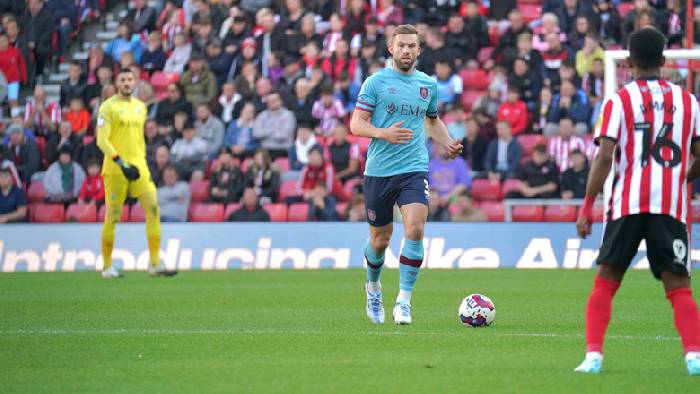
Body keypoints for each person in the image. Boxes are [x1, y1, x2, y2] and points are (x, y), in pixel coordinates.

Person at [575, 27, 700, 376]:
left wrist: (587, 206)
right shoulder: (689, 101)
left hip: (626, 203)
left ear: (628, 62)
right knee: (679, 288)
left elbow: (604, 157)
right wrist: (680, 178)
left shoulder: (618, 100)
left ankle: (594, 358)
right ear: (663, 61)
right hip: (670, 207)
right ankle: (694, 356)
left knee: (606, 281)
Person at [349, 24, 462, 325]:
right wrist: (382, 132)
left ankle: (404, 301)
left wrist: (448, 143)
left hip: (413, 168)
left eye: (412, 46)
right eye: (401, 45)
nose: (406, 51)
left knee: (414, 229)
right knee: (380, 241)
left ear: (419, 50)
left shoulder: (427, 85)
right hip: (379, 171)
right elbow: (356, 124)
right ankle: (373, 287)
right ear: (391, 48)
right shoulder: (376, 82)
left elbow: (432, 121)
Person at [96, 67, 176, 278]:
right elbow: (101, 140)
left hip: (139, 167)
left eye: (130, 79)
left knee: (153, 209)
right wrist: (120, 162)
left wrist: (137, 162)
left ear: (135, 82)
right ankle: (106, 267)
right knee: (113, 215)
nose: (126, 83)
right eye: (122, 79)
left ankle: (155, 263)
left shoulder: (141, 107)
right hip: (116, 168)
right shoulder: (107, 107)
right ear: (116, 82)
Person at [252, 92, 296, 160]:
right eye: (270, 101)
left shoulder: (289, 115)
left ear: (280, 101)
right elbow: (256, 133)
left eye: (274, 100)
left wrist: (265, 134)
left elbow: (283, 135)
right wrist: (272, 130)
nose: (272, 103)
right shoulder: (262, 115)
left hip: (283, 149)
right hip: (265, 150)